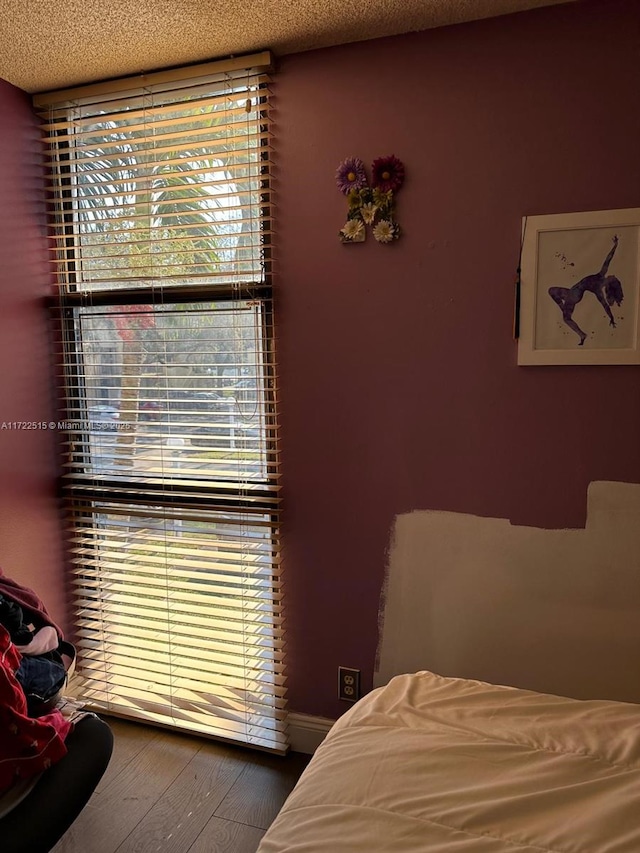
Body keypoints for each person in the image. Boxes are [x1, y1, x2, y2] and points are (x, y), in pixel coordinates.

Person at [548, 235, 624, 345]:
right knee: (565, 315)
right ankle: (582, 335)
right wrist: (615, 245)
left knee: (552, 292)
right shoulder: (601, 275)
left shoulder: (598, 289)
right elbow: (608, 258)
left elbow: (605, 306)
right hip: (573, 293)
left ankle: (577, 328)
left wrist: (611, 318)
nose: (611, 276)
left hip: (574, 295)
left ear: (609, 283)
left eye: (612, 278)